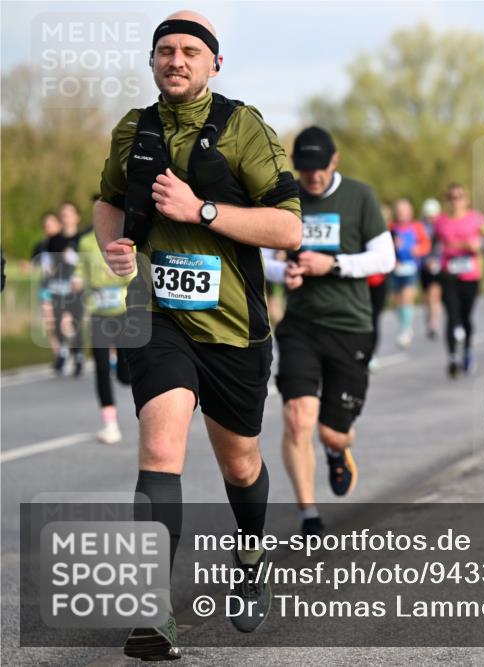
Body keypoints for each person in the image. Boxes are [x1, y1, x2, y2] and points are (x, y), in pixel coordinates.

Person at [95, 11, 302, 657]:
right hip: (158, 316)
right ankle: (151, 610)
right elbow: (106, 200)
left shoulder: (245, 128)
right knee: (160, 447)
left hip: (235, 328)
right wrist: (114, 245)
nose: (175, 60)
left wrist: (202, 210)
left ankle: (249, 557)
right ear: (152, 61)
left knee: (239, 460)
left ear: (215, 63)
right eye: (164, 51)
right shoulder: (134, 128)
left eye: (189, 51)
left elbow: (290, 229)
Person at [275, 126, 394, 537]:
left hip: (350, 326)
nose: (312, 178)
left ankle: (337, 450)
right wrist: (283, 270)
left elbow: (385, 258)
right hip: (300, 325)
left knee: (330, 431)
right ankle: (309, 514)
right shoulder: (285, 196)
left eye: (319, 169)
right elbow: (257, 255)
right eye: (305, 170)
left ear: (335, 161)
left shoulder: (359, 197)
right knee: (297, 417)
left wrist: (335, 265)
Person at [72, 227, 134, 443]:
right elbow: (81, 266)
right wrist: (78, 279)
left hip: (123, 311)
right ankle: (110, 425)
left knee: (127, 376)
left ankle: (120, 366)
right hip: (98, 312)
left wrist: (120, 272)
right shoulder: (86, 241)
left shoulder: (126, 237)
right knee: (101, 367)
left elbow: (135, 271)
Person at [435, 182, 484, 378]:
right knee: (451, 315)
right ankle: (452, 357)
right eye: (452, 197)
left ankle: (467, 350)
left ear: (467, 199)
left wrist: (476, 245)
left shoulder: (477, 219)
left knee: (465, 316)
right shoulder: (441, 221)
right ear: (448, 200)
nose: (456, 201)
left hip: (470, 274)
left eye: (459, 197)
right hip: (448, 273)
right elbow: (435, 245)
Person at [389, 198, 430, 348]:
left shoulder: (417, 227)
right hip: (395, 267)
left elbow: (426, 244)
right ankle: (404, 323)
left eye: (404, 210)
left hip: (411, 267)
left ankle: (405, 329)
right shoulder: (390, 227)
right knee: (396, 299)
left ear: (410, 212)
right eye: (399, 211)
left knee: (407, 296)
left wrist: (418, 250)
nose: (401, 214)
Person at [49, 202, 85, 376]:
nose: (65, 217)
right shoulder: (54, 240)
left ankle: (77, 355)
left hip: (77, 287)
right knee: (57, 321)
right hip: (58, 287)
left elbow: (89, 263)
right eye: (62, 214)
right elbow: (48, 263)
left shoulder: (83, 239)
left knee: (74, 321)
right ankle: (63, 353)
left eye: (69, 214)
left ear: (76, 217)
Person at [31, 212, 63, 365]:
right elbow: (33, 265)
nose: (48, 227)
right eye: (46, 225)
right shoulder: (41, 246)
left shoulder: (65, 242)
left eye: (51, 224)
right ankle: (58, 355)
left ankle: (70, 349)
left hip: (63, 288)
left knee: (64, 322)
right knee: (50, 321)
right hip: (46, 287)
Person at [418, 198, 444, 339]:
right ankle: (429, 318)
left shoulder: (442, 226)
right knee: (427, 296)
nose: (431, 218)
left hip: (438, 265)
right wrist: (425, 260)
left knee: (435, 293)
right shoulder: (421, 227)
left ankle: (434, 321)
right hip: (424, 265)